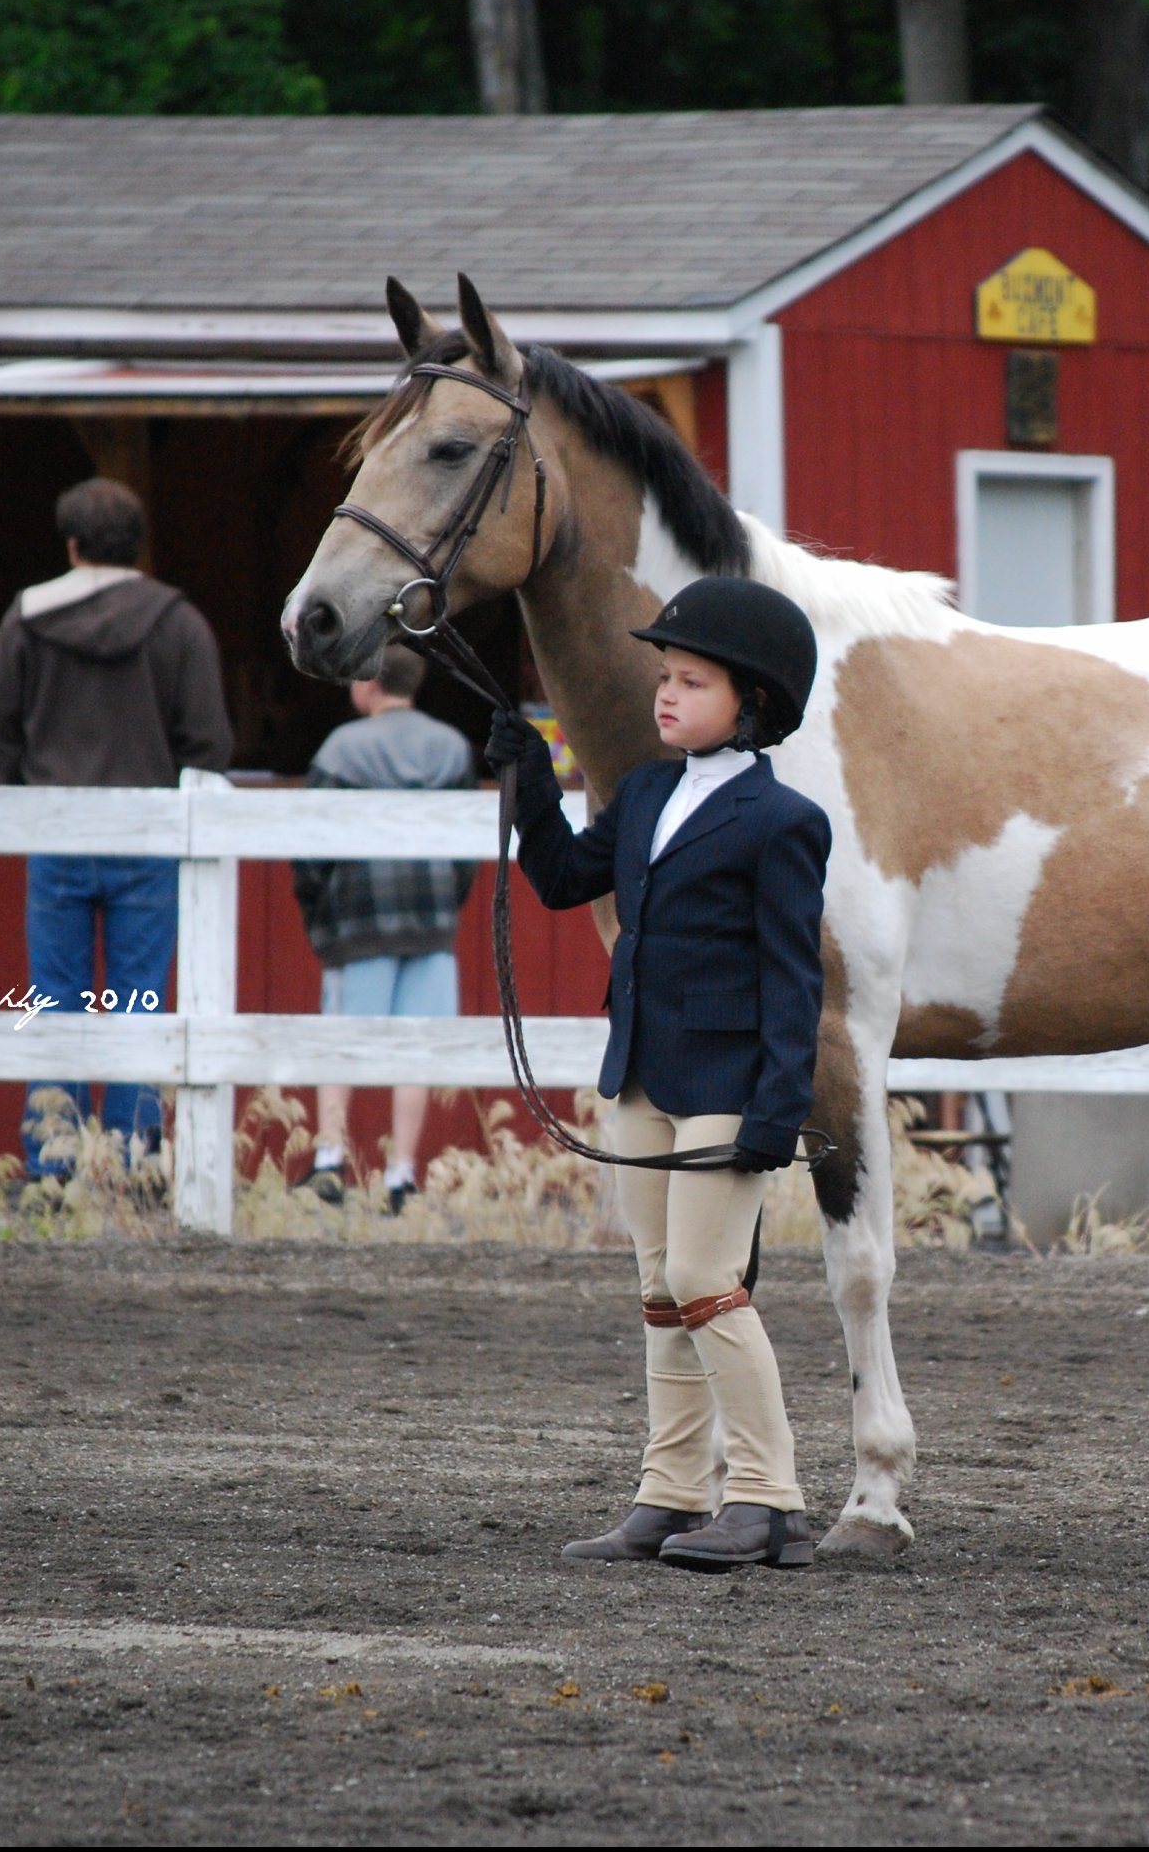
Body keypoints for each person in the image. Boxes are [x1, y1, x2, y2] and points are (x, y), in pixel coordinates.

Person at [487, 577, 829, 1574]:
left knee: (702, 1278)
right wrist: (530, 783)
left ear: (752, 704)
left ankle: (768, 1500)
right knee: (655, 1287)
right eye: (665, 679)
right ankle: (672, 1494)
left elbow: (794, 978)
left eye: (691, 682)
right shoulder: (642, 792)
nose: (666, 696)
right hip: (637, 1068)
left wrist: (780, 1108)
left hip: (726, 1080)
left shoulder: (782, 821)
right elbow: (558, 881)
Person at [0, 477, 234, 1173]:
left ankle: (54, 1163)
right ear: (139, 545)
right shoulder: (178, 622)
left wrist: (26, 785)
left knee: (54, 998)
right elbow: (209, 740)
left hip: (58, 829)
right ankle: (131, 1157)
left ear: (70, 544)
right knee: (140, 998)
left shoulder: (27, 617)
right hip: (149, 834)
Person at [290, 642, 477, 1214]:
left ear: (367, 684)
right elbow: (466, 847)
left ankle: (328, 1164)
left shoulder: (342, 748)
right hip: (431, 919)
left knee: (341, 1041)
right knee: (416, 1048)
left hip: (360, 920)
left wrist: (318, 911)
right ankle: (401, 1175)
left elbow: (308, 848)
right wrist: (450, 904)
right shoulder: (451, 748)